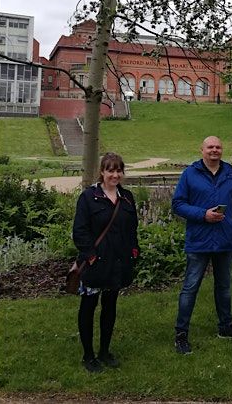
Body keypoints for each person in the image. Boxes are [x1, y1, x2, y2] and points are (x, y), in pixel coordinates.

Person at [172, 136, 232, 354]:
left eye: (218, 147)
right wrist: (202, 215)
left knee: (224, 287)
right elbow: (177, 204)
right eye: (210, 147)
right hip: (199, 240)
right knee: (190, 287)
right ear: (202, 150)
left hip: (225, 240)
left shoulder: (229, 172)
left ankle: (225, 326)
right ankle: (181, 333)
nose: (214, 150)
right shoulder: (190, 173)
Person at [72, 152, 139, 372]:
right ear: (102, 171)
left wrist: (134, 251)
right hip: (95, 263)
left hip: (117, 263)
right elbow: (80, 231)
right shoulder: (89, 197)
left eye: (119, 170)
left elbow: (132, 229)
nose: (115, 175)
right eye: (110, 170)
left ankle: (104, 351)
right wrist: (90, 255)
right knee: (89, 307)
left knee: (110, 307)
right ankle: (88, 355)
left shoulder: (127, 197)